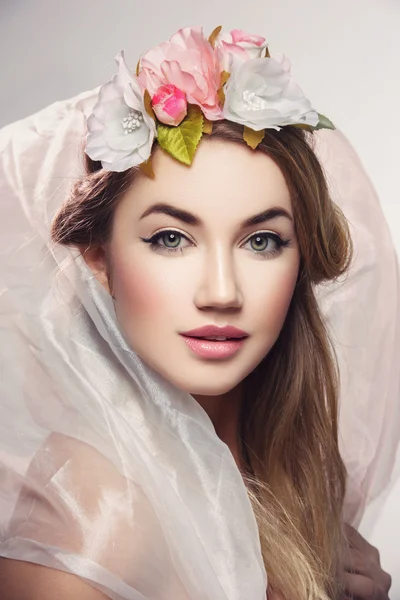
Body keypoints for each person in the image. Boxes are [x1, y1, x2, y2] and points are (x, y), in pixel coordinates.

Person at [0, 25, 396, 600]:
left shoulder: (285, 472)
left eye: (261, 241)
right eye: (169, 238)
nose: (221, 291)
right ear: (98, 257)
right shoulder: (94, 522)